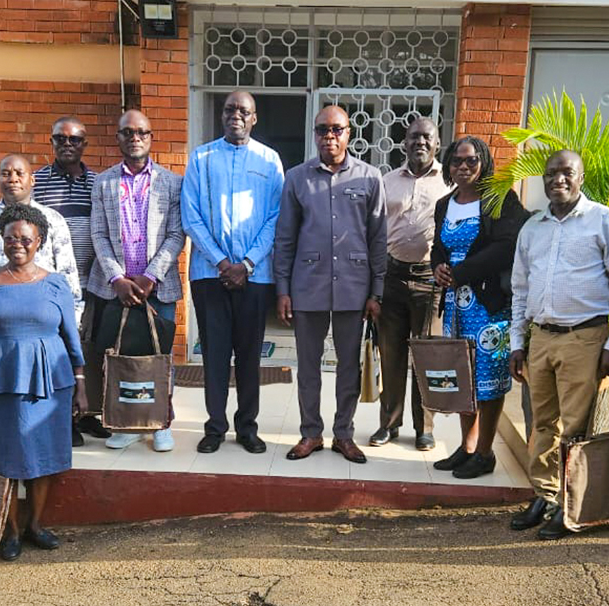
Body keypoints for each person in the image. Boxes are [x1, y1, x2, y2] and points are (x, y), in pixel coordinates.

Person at [508, 150, 609, 540]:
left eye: (567, 173)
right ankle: (544, 496)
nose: (557, 179)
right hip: (541, 339)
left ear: (581, 177)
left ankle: (570, 504)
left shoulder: (603, 221)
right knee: (542, 423)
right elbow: (519, 288)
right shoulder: (533, 228)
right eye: (551, 173)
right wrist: (517, 342)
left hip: (586, 338)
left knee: (575, 429)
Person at [0, 203, 87, 562]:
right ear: (2, 239)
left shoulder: (56, 283)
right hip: (3, 382)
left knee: (43, 458)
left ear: (39, 240)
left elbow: (72, 338)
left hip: (51, 382)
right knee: (6, 460)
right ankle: (10, 531)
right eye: (10, 238)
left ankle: (35, 526)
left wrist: (81, 385)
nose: (17, 244)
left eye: (25, 238)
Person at [274, 105, 387, 464]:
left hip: (354, 288)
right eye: (322, 129)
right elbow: (285, 237)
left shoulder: (370, 178)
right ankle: (310, 433)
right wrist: (283, 289)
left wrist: (377, 291)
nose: (329, 136)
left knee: (348, 366)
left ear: (349, 133)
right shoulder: (297, 178)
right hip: (307, 286)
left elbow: (378, 238)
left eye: (337, 129)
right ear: (315, 134)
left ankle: (344, 434)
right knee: (308, 366)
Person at [181, 91, 284, 455]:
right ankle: (214, 427)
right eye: (229, 109)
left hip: (255, 277)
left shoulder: (269, 161)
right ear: (222, 115)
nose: (235, 115)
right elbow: (190, 215)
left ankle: (247, 427)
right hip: (209, 275)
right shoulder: (201, 157)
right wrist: (223, 263)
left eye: (244, 110)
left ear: (254, 118)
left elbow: (275, 217)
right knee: (213, 353)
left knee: (249, 356)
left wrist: (248, 264)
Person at [431, 136, 529, 478]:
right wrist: (438, 268)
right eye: (456, 161)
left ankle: (486, 452)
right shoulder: (445, 204)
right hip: (456, 307)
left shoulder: (500, 200)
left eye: (471, 161)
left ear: (484, 163)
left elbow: (506, 247)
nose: (463, 167)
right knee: (462, 377)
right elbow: (438, 248)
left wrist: (460, 272)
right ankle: (467, 447)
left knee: (488, 379)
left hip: (489, 307)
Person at [89, 109, 185, 452]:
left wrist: (149, 276)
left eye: (142, 132)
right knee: (122, 358)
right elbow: (98, 234)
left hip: (158, 287)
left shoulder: (172, 182)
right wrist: (116, 277)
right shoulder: (103, 182)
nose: (135, 138)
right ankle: (129, 423)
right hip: (115, 288)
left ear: (151, 137)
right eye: (127, 133)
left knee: (159, 358)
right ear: (118, 138)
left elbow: (176, 234)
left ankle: (161, 423)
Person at [368, 117, 448, 452]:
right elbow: (373, 230)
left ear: (437, 143)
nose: (420, 142)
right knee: (391, 354)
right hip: (392, 277)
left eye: (426, 137)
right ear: (404, 142)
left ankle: (424, 428)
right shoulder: (387, 181)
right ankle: (389, 423)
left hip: (429, 281)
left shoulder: (449, 182)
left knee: (426, 357)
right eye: (414, 136)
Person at [33, 116, 111, 446]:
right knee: (61, 351)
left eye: (75, 139)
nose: (68, 145)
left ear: (85, 144)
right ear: (51, 143)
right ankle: (65, 419)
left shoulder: (98, 183)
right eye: (60, 139)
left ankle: (90, 413)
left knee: (91, 351)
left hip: (93, 282)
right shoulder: (36, 182)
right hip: (50, 287)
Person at [0, 154, 82, 320]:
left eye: (19, 173)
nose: (13, 179)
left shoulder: (53, 219)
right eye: (6, 174)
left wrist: (72, 319)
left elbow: (67, 273)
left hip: (44, 313)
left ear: (32, 180)